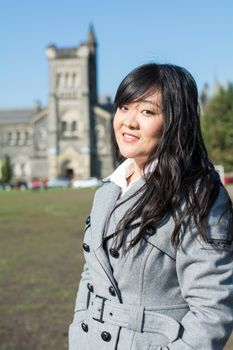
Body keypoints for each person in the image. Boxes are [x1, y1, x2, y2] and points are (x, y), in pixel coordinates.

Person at [69, 63, 233, 350]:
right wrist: (79, 329)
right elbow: (92, 274)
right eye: (123, 107)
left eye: (147, 111)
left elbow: (212, 312)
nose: (128, 122)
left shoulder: (198, 196)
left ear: (175, 122)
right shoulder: (108, 189)